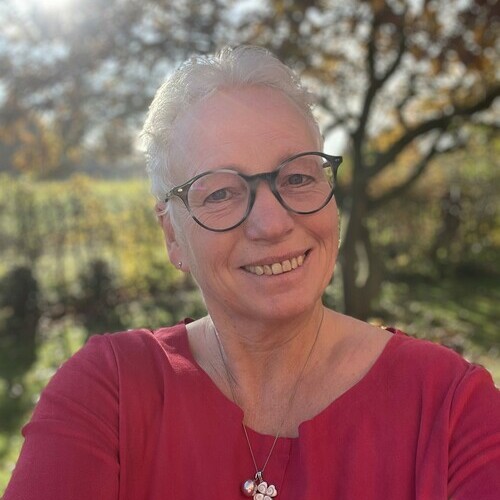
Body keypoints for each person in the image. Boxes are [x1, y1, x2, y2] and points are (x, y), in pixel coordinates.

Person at [4, 46, 500, 500]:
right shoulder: (108, 394)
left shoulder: (450, 409)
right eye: (220, 192)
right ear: (173, 235)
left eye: (298, 176)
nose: (272, 223)